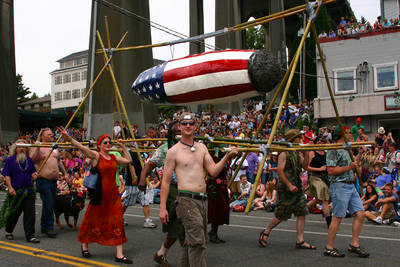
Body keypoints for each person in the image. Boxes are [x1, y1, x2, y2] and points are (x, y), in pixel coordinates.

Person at [160, 112, 239, 267]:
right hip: (186, 200)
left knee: (190, 242)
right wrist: (162, 208)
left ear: (195, 126)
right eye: (184, 123)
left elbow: (214, 171)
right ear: (179, 126)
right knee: (198, 243)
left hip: (203, 200)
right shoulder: (173, 151)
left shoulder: (202, 148)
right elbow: (166, 182)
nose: (187, 126)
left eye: (191, 123)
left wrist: (227, 156)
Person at [59, 127, 133, 264]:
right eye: (105, 142)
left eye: (109, 142)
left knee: (117, 221)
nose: (108, 144)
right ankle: (85, 245)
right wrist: (68, 138)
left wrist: (123, 146)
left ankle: (119, 254)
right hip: (100, 195)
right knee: (92, 220)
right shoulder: (96, 156)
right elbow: (81, 147)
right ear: (99, 145)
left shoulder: (114, 157)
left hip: (113, 195)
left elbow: (128, 161)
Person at [258, 129, 313, 250]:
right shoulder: (284, 153)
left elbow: (305, 166)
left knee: (302, 212)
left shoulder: (296, 152)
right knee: (281, 215)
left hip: (296, 187)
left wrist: (307, 152)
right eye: (299, 137)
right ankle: (266, 232)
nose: (301, 139)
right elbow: (280, 171)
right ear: (294, 139)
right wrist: (289, 185)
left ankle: (300, 240)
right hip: (285, 188)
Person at [139, 120, 183, 267]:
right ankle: (187, 259)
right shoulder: (164, 149)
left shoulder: (191, 148)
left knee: (182, 227)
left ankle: (161, 253)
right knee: (179, 226)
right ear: (170, 134)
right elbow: (149, 164)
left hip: (189, 190)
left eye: (180, 131)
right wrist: (142, 180)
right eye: (176, 132)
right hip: (172, 190)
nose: (179, 134)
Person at [324, 126, 369, 258]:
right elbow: (331, 171)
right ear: (342, 134)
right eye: (349, 133)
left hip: (350, 185)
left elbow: (353, 165)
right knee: (337, 217)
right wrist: (349, 167)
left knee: (360, 213)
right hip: (339, 185)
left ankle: (354, 244)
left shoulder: (347, 148)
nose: (351, 135)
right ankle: (329, 247)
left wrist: (360, 154)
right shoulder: (333, 149)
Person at [1, 140, 39, 243]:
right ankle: (9, 231)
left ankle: (30, 235)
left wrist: (34, 175)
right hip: (16, 191)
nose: (22, 149)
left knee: (30, 214)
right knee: (14, 213)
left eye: (24, 147)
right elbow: (7, 175)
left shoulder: (29, 160)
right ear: (16, 148)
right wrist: (10, 188)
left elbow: (33, 172)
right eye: (19, 147)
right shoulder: (10, 160)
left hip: (29, 191)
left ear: (26, 149)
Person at [30, 128, 66, 238]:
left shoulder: (54, 147)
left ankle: (44, 225)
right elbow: (32, 160)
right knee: (49, 202)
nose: (52, 135)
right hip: (43, 180)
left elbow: (58, 161)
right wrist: (37, 148)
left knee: (49, 204)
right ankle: (49, 226)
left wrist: (65, 173)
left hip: (53, 181)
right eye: (49, 134)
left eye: (52, 134)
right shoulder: (38, 146)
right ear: (42, 136)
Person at [305, 136, 331, 227]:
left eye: (322, 142)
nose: (321, 143)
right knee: (325, 198)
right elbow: (306, 167)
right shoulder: (312, 152)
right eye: (319, 141)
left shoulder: (325, 153)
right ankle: (329, 220)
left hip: (324, 177)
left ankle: (304, 209)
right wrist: (319, 169)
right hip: (314, 177)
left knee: (319, 199)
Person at [206, 150, 232, 243]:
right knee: (215, 210)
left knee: (222, 210)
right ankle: (212, 233)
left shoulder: (228, 160)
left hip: (222, 188)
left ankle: (213, 231)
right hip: (214, 188)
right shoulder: (213, 159)